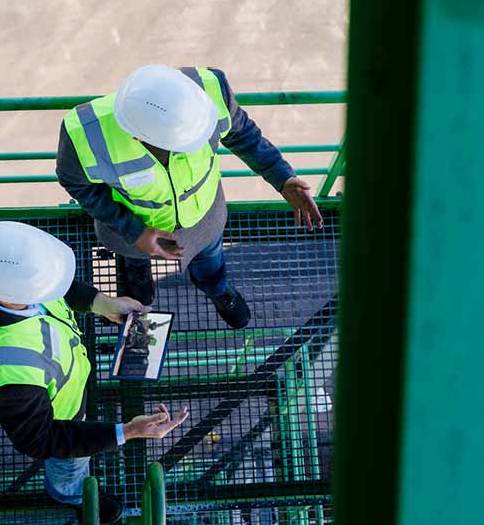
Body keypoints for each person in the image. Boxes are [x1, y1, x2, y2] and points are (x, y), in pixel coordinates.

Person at [56, 65, 324, 329]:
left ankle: (217, 290)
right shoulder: (85, 134)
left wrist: (281, 176)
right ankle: (139, 280)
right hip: (130, 234)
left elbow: (242, 134)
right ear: (138, 137)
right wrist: (134, 231)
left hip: (204, 221)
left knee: (210, 261)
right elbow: (77, 183)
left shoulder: (209, 89)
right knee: (134, 261)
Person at [0, 220, 189, 524]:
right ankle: (71, 494)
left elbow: (55, 288)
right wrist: (128, 431)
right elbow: (41, 439)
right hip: (62, 416)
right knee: (69, 465)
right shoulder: (7, 372)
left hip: (57, 382)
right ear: (22, 294)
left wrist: (101, 304)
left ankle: (74, 491)